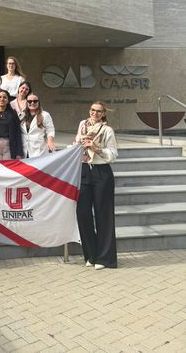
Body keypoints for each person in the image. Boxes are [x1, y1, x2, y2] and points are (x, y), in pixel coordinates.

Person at [75, 101, 118, 270]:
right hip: (84, 170)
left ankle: (105, 258)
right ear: (89, 111)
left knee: (103, 215)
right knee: (82, 214)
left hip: (101, 172)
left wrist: (96, 148)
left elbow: (113, 154)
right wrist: (78, 144)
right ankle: (91, 255)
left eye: (99, 111)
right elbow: (76, 145)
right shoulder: (82, 125)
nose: (95, 113)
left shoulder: (107, 130)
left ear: (104, 114)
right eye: (93, 110)